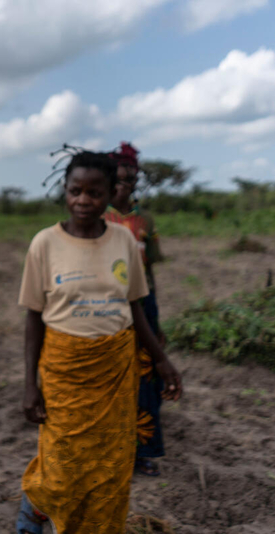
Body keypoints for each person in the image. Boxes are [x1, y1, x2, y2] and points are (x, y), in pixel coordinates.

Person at [16, 150, 182, 534]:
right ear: (65, 191)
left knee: (110, 466)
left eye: (94, 192)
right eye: (76, 191)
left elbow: (135, 306)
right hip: (64, 371)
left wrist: (161, 360)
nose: (84, 201)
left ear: (110, 193)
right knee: (60, 467)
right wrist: (29, 384)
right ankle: (30, 521)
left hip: (116, 370)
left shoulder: (124, 239)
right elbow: (33, 317)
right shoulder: (44, 244)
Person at [105, 142, 168, 477]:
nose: (127, 180)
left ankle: (141, 451)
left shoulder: (145, 220)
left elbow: (151, 269)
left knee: (146, 375)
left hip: (144, 301)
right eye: (121, 173)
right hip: (109, 305)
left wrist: (155, 316)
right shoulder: (99, 218)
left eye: (132, 174)